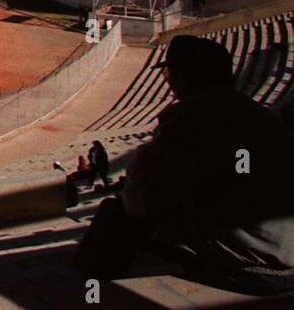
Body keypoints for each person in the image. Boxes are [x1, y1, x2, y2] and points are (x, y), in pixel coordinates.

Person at [75, 35, 294, 295]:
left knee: (115, 215)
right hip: (284, 254)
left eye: (169, 73)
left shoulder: (191, 119)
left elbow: (141, 203)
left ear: (181, 77)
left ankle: (86, 297)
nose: (168, 81)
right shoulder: (258, 115)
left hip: (254, 267)